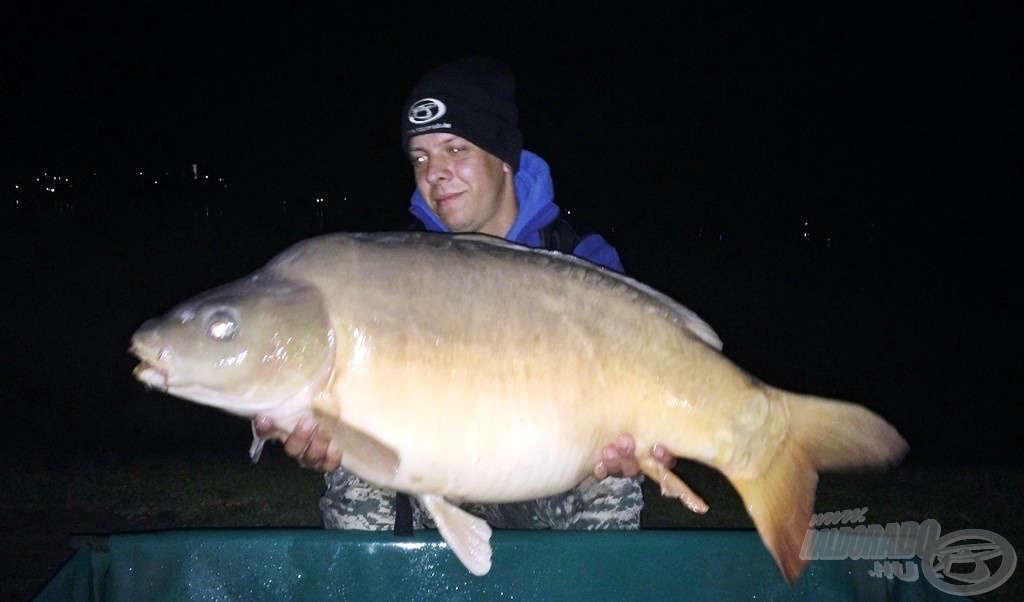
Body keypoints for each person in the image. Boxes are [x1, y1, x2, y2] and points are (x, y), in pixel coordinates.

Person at [254, 55, 675, 533]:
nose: (435, 173)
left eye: (455, 150)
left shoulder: (582, 258)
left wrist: (643, 440)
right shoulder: (393, 267)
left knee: (611, 479)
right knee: (354, 459)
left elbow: (648, 379)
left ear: (503, 160)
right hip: (433, 480)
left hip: (543, 474)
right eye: (420, 157)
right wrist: (323, 436)